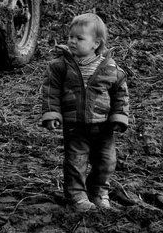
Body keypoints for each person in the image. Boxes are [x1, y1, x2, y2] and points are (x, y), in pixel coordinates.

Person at [40, 13, 129, 212]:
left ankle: (98, 191)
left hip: (103, 127)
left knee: (106, 162)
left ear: (96, 43)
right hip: (75, 126)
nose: (72, 41)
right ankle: (77, 196)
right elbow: (50, 91)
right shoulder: (60, 66)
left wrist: (119, 116)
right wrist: (52, 113)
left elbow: (121, 93)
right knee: (75, 162)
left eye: (79, 38)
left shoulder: (110, 69)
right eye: (70, 36)